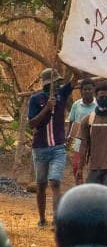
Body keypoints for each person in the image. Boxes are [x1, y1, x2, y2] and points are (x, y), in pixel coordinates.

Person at [29, 68, 75, 226]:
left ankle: (57, 219)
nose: (57, 85)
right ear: (47, 85)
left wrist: (73, 63)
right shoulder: (35, 99)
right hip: (39, 148)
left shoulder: (62, 95)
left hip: (58, 148)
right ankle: (42, 219)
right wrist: (46, 109)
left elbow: (76, 78)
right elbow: (32, 124)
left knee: (55, 182)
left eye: (58, 83)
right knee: (41, 185)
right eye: (55, 83)